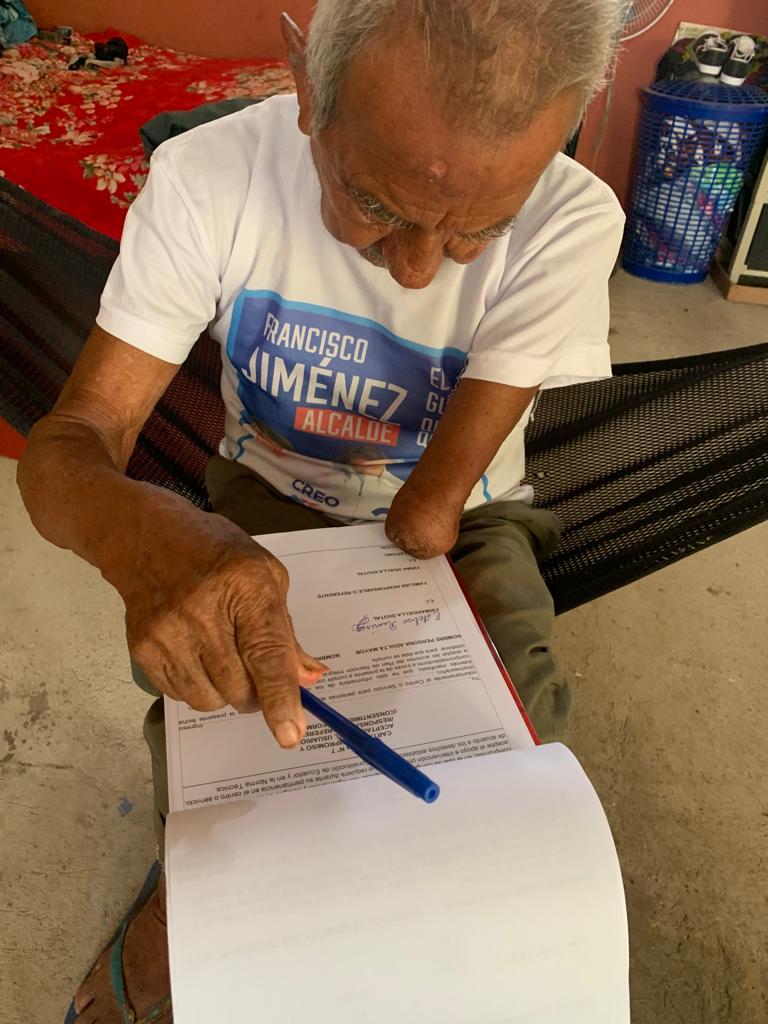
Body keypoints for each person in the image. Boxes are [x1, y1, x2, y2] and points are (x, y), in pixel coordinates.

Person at [17, 1, 627, 1020]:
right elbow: (66, 450)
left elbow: (427, 521)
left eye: (483, 228)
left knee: (510, 733)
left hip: (464, 512)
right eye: (374, 202)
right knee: (216, 711)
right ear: (305, 83)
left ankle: (373, 910)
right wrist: (138, 535)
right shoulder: (211, 179)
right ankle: (198, 894)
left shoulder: (574, 220)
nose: (421, 269)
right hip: (266, 487)